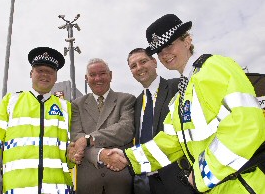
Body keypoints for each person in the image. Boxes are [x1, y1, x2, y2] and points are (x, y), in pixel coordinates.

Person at [108, 14, 265, 193]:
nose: (164, 54)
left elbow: (246, 125)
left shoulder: (214, 67)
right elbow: (170, 141)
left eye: (169, 45)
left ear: (188, 40)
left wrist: (202, 173)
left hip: (244, 184)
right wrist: (129, 158)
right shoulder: (180, 97)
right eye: (159, 51)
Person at [0, 47, 74, 194]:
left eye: (50, 72)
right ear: (31, 73)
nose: (45, 75)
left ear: (56, 77)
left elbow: (71, 153)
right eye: (40, 70)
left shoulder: (66, 107)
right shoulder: (11, 101)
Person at [127, 48, 191, 194]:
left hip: (180, 181)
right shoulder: (136, 103)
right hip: (146, 184)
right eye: (133, 66)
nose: (139, 68)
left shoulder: (178, 86)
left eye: (143, 61)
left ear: (154, 62)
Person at [68, 58, 136, 194]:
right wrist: (100, 154)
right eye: (92, 75)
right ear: (86, 78)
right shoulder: (76, 105)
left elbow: (126, 129)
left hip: (120, 180)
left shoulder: (126, 100)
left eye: (102, 73)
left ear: (110, 75)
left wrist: (89, 139)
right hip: (88, 182)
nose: (98, 78)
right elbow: (77, 138)